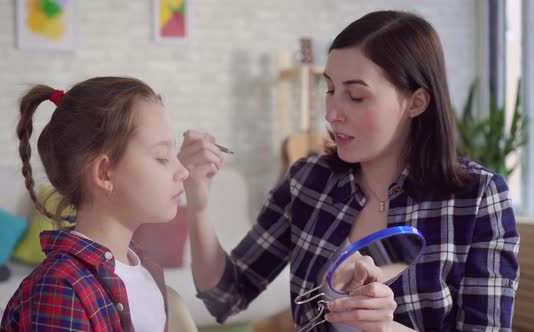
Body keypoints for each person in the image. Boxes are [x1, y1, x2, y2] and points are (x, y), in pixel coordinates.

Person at [178, 10, 519, 332]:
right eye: (329, 89)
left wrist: (386, 326)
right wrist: (198, 202)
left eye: (356, 96)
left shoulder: (477, 199)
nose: (332, 113)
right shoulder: (308, 181)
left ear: (416, 102)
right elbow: (226, 296)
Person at [1, 77, 189, 331]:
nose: (183, 172)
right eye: (162, 157)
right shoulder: (59, 288)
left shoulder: (148, 272)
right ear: (104, 173)